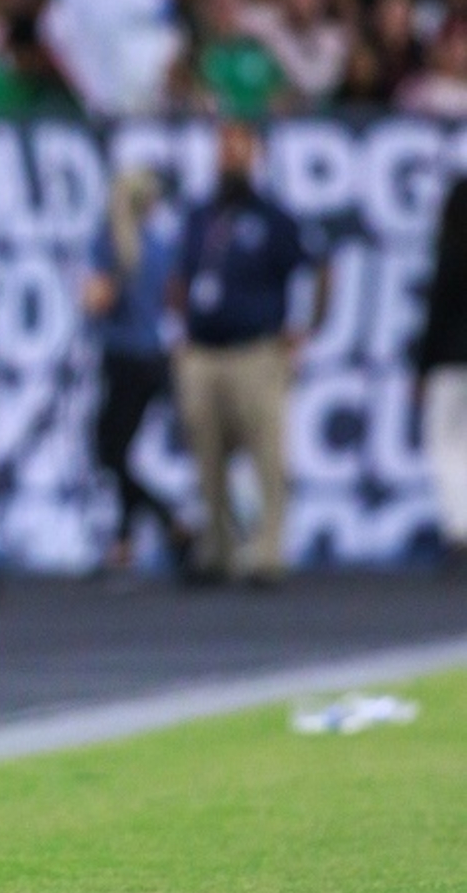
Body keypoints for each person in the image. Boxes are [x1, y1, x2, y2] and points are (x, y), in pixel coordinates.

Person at [170, 120, 327, 586]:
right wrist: (180, 328)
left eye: (239, 150)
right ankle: (217, 549)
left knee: (267, 456)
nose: (230, 158)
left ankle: (266, 553)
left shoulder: (273, 218)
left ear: (255, 156)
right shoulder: (200, 215)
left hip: (256, 351)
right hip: (202, 352)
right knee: (207, 456)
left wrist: (308, 327)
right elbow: (179, 277)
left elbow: (317, 267)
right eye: (224, 150)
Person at [83, 169, 191, 572]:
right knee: (121, 452)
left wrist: (93, 295)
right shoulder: (159, 245)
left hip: (124, 359)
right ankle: (125, 541)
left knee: (109, 451)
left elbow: (99, 300)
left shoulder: (111, 244)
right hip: (152, 357)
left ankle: (168, 519)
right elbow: (173, 299)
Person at [415, 176, 467, 572]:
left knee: (447, 447)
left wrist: (422, 368)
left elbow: (437, 317)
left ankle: (459, 532)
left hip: (451, 364)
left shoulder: (451, 253)